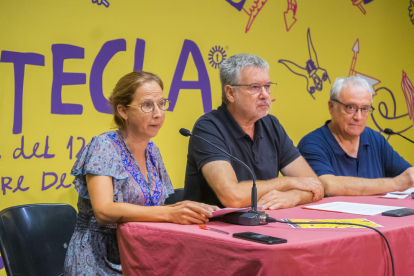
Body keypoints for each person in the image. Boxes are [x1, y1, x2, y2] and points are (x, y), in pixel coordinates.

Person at [64, 71, 218, 276]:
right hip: (97, 258)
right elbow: (103, 211)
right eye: (147, 105)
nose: (158, 113)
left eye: (161, 104)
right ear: (123, 111)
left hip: (140, 251)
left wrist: (183, 207)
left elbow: (150, 207)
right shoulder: (103, 146)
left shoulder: (152, 151)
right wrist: (169, 213)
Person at [183, 54, 324, 210]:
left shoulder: (272, 125)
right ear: (230, 93)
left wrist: (293, 196)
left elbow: (315, 185)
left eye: (268, 86)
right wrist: (288, 182)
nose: (265, 95)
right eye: (255, 87)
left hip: (262, 225)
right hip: (213, 229)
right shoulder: (208, 128)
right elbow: (232, 197)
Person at [298, 76, 413, 196]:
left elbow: (407, 176)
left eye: (364, 109)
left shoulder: (376, 139)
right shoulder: (312, 144)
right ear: (331, 107)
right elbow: (328, 185)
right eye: (350, 107)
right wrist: (395, 184)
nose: (358, 117)